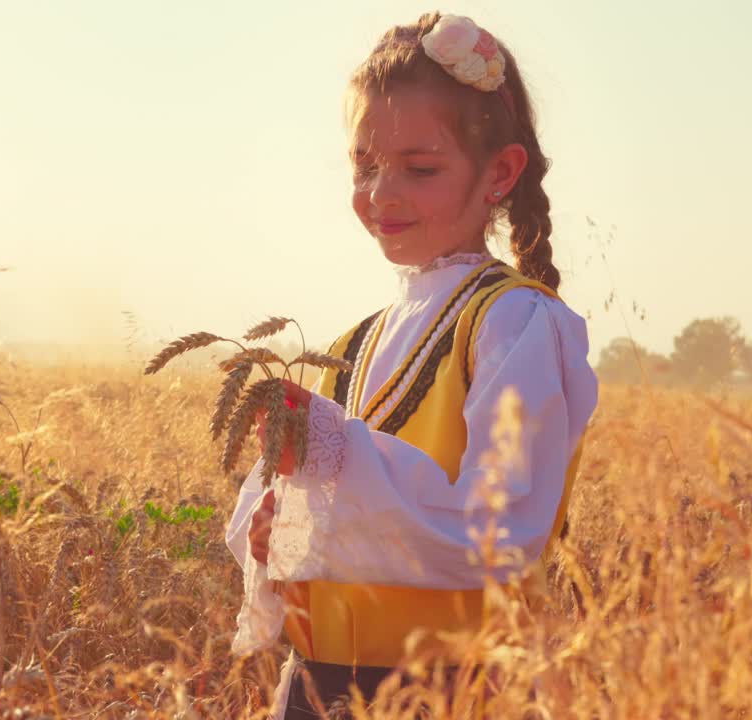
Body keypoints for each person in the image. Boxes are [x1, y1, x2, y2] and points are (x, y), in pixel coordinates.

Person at [224, 12, 599, 719]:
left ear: (500, 172)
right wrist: (274, 529)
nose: (382, 192)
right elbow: (279, 521)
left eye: (419, 169)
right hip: (314, 686)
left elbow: (505, 529)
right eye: (364, 165)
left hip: (448, 691)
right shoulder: (346, 345)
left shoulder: (513, 321)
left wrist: (335, 463)